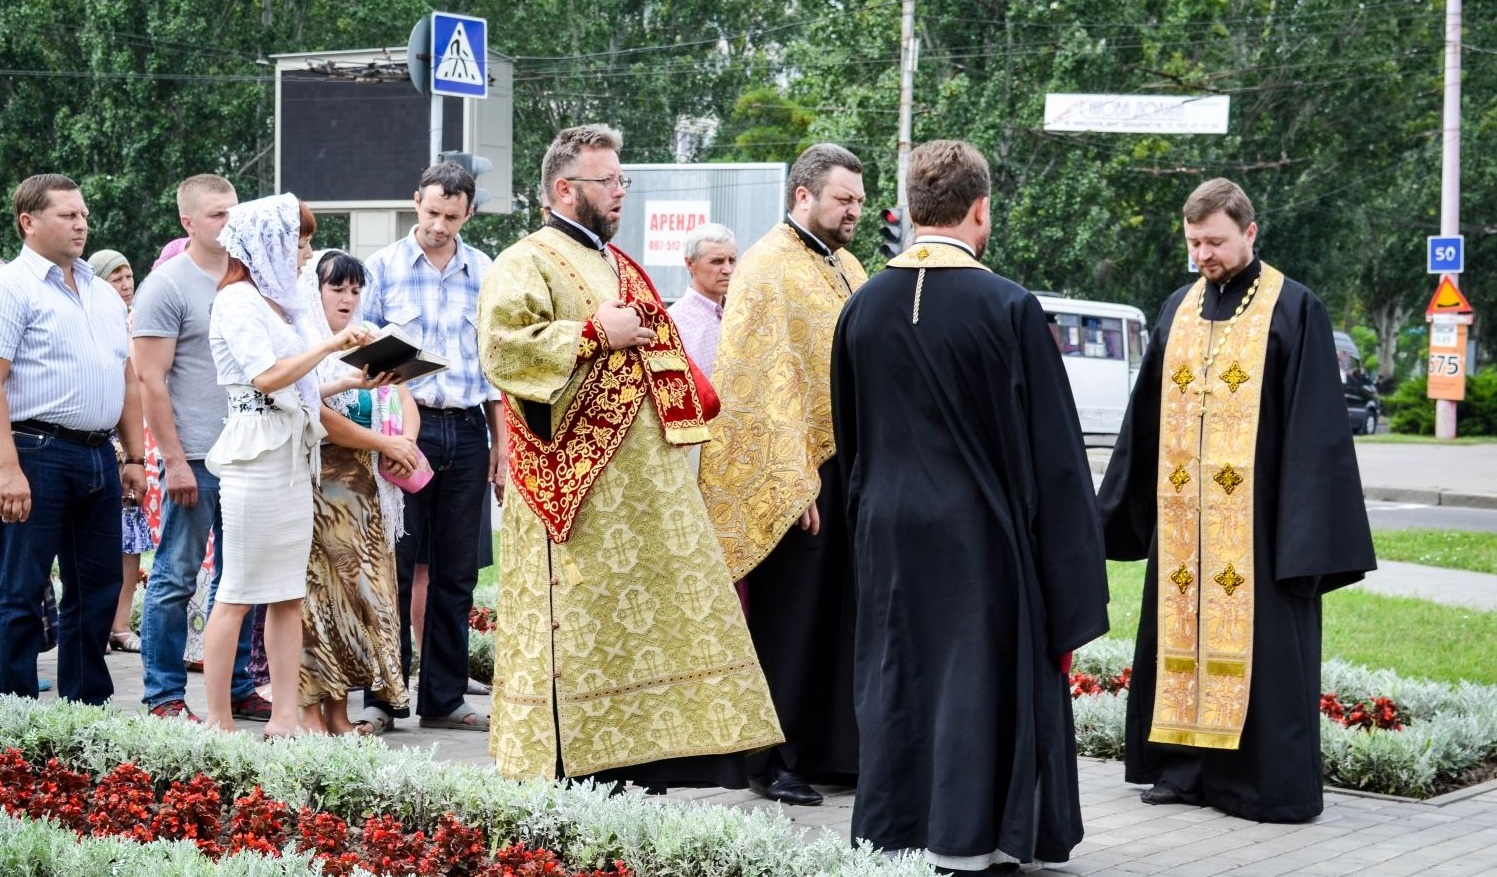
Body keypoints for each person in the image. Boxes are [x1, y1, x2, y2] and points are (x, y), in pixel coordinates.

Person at [832, 140, 1109, 872]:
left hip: (884, 525)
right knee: (971, 679)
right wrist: (1068, 573)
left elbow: (848, 432)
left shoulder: (861, 305)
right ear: (980, 209)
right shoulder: (1009, 306)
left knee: (898, 675)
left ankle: (895, 829)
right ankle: (968, 837)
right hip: (976, 530)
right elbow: (1052, 454)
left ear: (914, 210)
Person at [477, 123, 782, 786]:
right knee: (581, 642)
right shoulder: (524, 260)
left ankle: (643, 760)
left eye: (623, 180)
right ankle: (569, 771)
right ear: (565, 187)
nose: (620, 192)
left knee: (641, 634)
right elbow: (502, 349)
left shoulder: (620, 265)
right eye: (608, 180)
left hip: (640, 499)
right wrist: (590, 334)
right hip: (577, 499)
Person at [1097, 178, 1376, 823]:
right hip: (1182, 533)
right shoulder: (1177, 309)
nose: (1204, 255)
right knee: (1178, 639)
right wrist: (1112, 515)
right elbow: (1144, 423)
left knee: (1263, 653)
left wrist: (1305, 539)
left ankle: (1253, 783)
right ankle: (1182, 770)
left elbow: (1316, 433)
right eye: (1194, 243)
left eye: (1216, 242)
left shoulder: (1294, 308)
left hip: (1257, 531)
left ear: (1249, 233)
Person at [696, 143, 867, 805]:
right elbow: (755, 381)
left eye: (856, 198)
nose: (853, 209)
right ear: (804, 195)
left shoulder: (843, 262)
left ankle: (827, 749)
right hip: (796, 476)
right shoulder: (766, 265)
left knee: (836, 615)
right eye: (842, 199)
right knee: (789, 620)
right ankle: (771, 759)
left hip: (844, 466)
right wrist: (790, 476)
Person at [201, 194, 368, 737]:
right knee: (237, 592)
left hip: (293, 456)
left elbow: (300, 386)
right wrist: (333, 346)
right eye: (300, 242)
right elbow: (267, 377)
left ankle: (284, 719)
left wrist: (350, 378)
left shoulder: (277, 304)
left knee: (287, 594)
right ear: (268, 245)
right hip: (256, 459)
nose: (306, 254)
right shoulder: (237, 301)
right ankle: (219, 720)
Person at [359, 161, 501, 735]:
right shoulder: (382, 268)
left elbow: (494, 366)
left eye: (453, 216)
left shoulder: (485, 271)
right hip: (401, 434)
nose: (440, 225)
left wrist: (501, 446)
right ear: (415, 201)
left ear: (468, 214)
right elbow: (359, 353)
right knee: (391, 566)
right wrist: (389, 428)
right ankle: (385, 698)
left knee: (456, 571)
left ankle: (442, 698)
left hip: (467, 430)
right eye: (432, 212)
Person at [0, 173, 147, 704]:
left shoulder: (101, 293)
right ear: (29, 222)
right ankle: (14, 719)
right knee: (20, 591)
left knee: (97, 590)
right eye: (67, 215)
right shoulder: (12, 286)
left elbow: (126, 377)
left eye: (83, 214)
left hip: (99, 455)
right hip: (35, 451)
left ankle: (87, 712)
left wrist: (134, 456)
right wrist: (7, 468)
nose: (81, 223)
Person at [133, 175, 268, 723]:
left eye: (233, 213)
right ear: (187, 222)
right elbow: (150, 381)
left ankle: (233, 687)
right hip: (196, 457)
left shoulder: (250, 279)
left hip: (249, 455)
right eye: (216, 215)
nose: (228, 224)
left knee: (240, 580)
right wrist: (176, 461)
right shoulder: (167, 285)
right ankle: (163, 695)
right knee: (175, 575)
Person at [298, 249, 418, 735]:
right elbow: (320, 419)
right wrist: (382, 441)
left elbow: (404, 394)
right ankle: (309, 713)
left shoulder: (371, 338)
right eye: (336, 288)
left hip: (366, 491)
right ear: (315, 291)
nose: (348, 298)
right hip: (317, 488)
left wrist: (404, 443)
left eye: (354, 289)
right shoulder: (302, 341)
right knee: (314, 600)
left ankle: (340, 714)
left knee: (359, 602)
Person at [88, 248, 151, 655]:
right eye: (116, 277)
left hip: (132, 448)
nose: (125, 284)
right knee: (92, 544)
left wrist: (136, 454)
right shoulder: (95, 320)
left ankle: (120, 622)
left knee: (130, 541)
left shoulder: (139, 320)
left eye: (129, 276)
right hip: (96, 444)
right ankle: (94, 628)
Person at [667, 222, 736, 380]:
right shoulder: (674, 322)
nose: (728, 270)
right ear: (690, 264)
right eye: (717, 261)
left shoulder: (742, 311)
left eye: (731, 260)